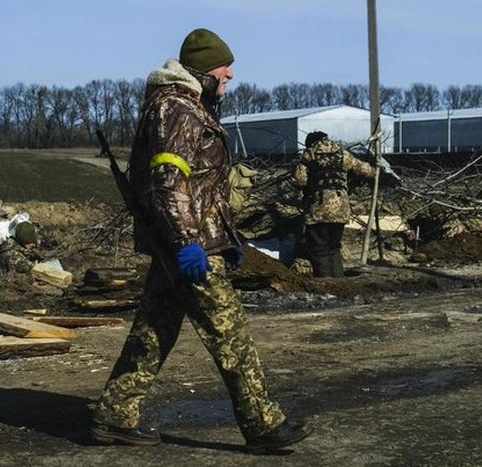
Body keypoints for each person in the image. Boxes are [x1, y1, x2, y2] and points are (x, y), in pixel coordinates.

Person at [91, 28, 312, 452]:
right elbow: (169, 181)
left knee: (154, 330)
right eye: (223, 67)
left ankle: (115, 415)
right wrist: (190, 242)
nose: (229, 74)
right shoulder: (177, 109)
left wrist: (226, 238)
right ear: (202, 71)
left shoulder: (186, 106)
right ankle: (263, 424)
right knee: (232, 335)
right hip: (190, 249)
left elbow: (203, 188)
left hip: (185, 244)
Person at [293, 132, 377, 277]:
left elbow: (299, 181)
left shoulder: (309, 155)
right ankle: (339, 281)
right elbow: (367, 171)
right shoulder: (343, 154)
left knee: (320, 248)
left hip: (318, 210)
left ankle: (326, 283)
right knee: (334, 247)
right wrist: (376, 167)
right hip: (341, 210)